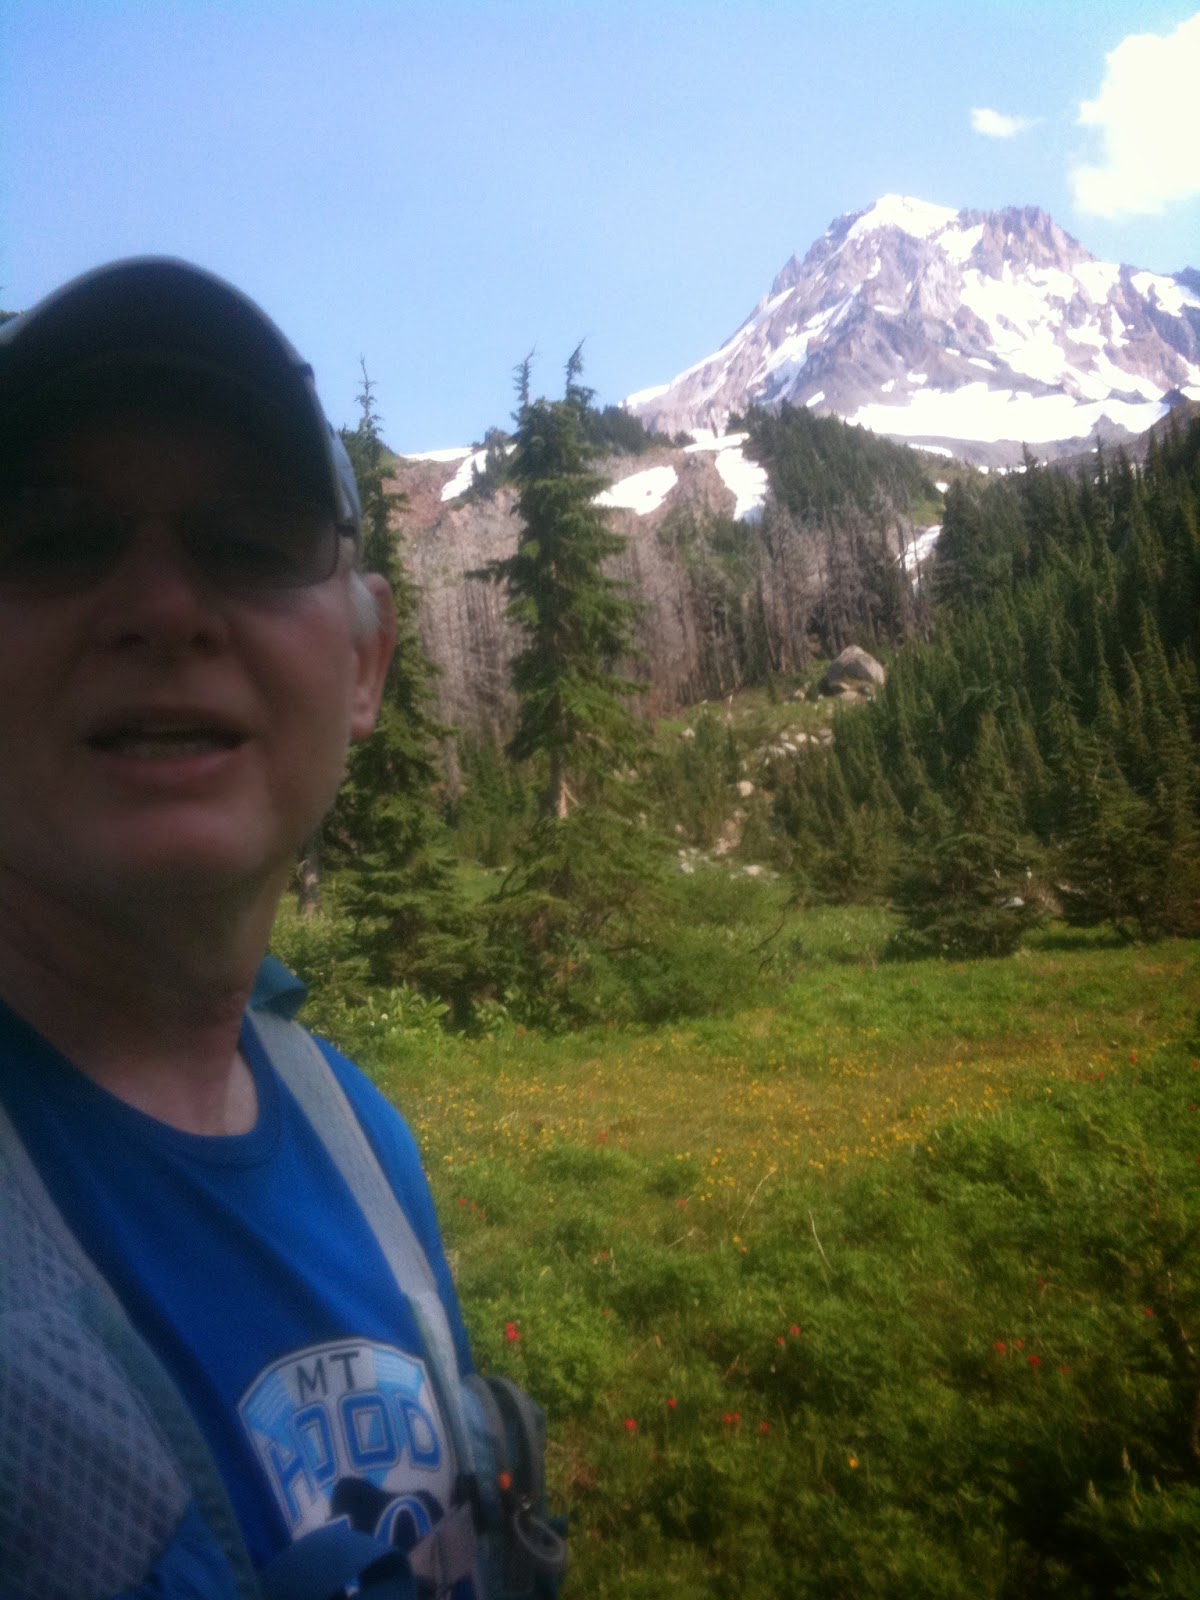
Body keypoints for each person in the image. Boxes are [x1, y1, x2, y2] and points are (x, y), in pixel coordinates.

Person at [0, 260, 562, 1600]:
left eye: (250, 541)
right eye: (53, 538)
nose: (162, 608)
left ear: (366, 665)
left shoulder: (361, 1136)